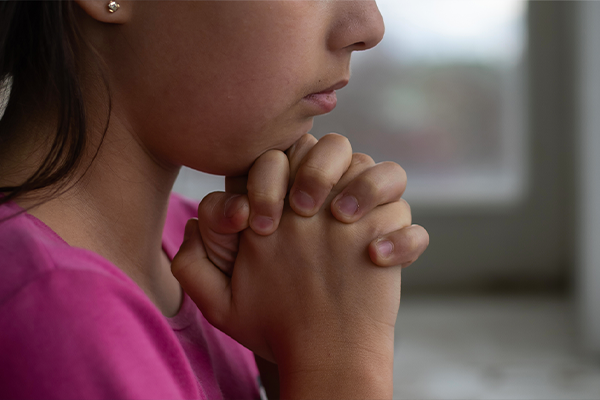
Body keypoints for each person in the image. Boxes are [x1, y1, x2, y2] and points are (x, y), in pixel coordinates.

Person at [0, 1, 429, 399]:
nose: (369, 28)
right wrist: (340, 360)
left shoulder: (215, 245)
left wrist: (294, 347)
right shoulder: (55, 310)